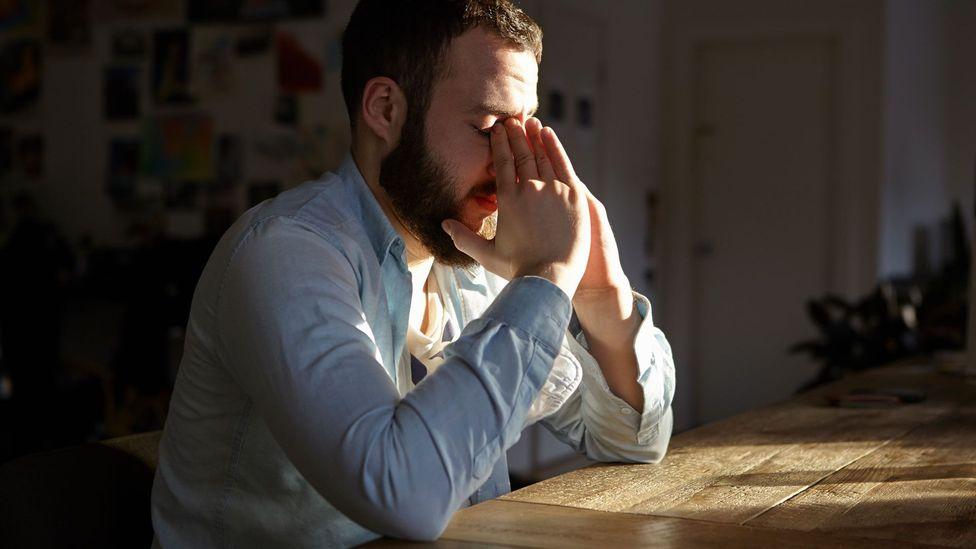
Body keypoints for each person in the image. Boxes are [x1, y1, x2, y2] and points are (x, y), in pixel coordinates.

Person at [151, 1, 675, 546]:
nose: (512, 162)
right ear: (385, 109)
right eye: (490, 127)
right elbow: (403, 496)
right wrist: (545, 279)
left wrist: (600, 296)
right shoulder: (283, 254)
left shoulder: (474, 261)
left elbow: (634, 441)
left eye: (523, 129)